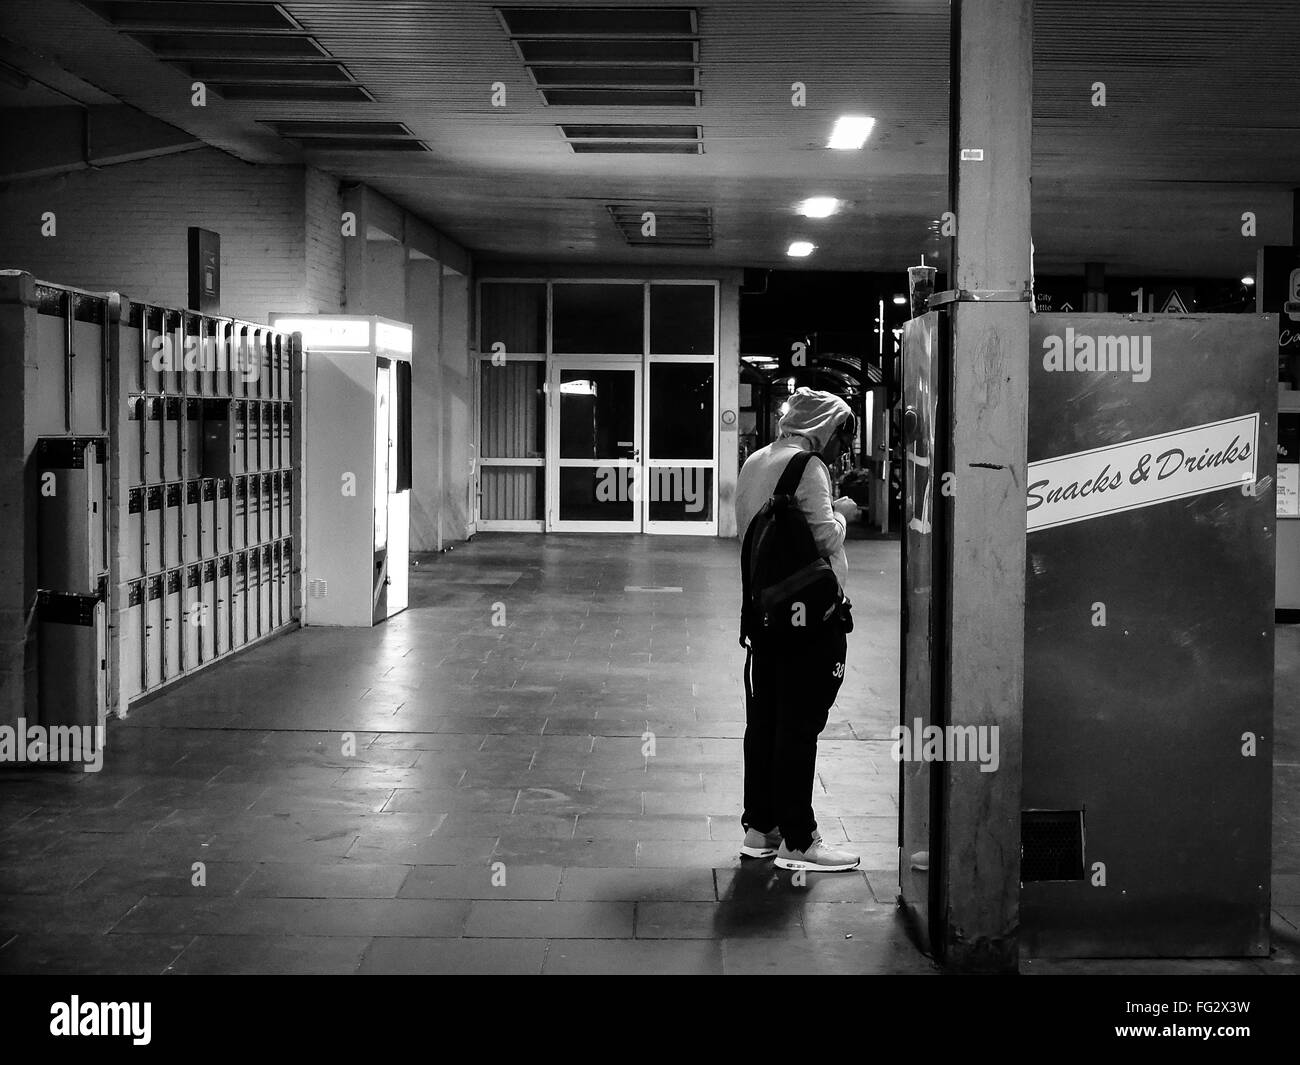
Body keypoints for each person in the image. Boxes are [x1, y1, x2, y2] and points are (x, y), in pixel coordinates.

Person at [734, 387, 861, 872]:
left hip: (763, 611)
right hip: (809, 617)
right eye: (839, 433)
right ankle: (798, 840)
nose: (839, 445)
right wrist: (844, 514)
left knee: (764, 719)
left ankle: (759, 829)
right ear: (823, 426)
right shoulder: (807, 466)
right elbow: (824, 534)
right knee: (800, 722)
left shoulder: (757, 459)